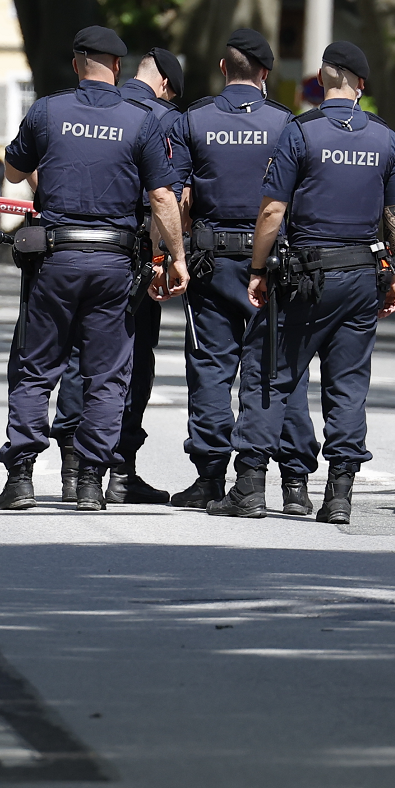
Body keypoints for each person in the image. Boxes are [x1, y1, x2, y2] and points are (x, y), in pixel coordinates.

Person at [0, 26, 190, 512]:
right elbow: (162, 197)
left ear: (76, 62)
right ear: (117, 67)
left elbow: (14, 171)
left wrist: (51, 177)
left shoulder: (47, 111)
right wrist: (176, 257)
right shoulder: (141, 120)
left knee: (36, 368)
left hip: (55, 259)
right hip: (114, 264)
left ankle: (20, 478)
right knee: (107, 376)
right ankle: (89, 483)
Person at [212, 41, 395, 525]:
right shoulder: (386, 139)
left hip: (305, 277)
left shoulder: (300, 131)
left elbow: (272, 210)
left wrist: (258, 270)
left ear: (321, 80)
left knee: (269, 372)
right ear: (361, 84)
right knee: (348, 385)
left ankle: (249, 487)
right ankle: (339, 495)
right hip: (362, 276)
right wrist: (394, 274)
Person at [170, 27, 319, 513]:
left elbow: (178, 198)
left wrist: (173, 252)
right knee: (279, 366)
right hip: (272, 262)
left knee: (211, 367)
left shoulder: (193, 120)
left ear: (223, 68)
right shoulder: (286, 123)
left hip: (210, 260)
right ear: (265, 73)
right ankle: (294, 483)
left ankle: (210, 477)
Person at [43, 46, 187, 505]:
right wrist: (167, 258)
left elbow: (42, 170)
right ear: (166, 84)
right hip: (136, 255)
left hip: (74, 249)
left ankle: (72, 467)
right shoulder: (164, 119)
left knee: (77, 357)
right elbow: (171, 198)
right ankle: (120, 471)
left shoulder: (90, 107)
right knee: (130, 362)